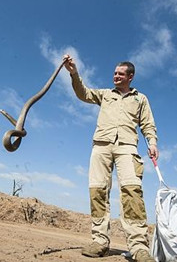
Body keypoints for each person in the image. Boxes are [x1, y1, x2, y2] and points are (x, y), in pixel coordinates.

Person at [63, 54, 159, 262]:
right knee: (97, 190)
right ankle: (100, 241)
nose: (115, 76)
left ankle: (139, 247)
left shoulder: (140, 99)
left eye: (120, 74)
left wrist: (151, 142)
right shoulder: (105, 94)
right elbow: (83, 93)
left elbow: (147, 124)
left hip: (127, 147)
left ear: (130, 77)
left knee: (132, 192)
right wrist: (74, 73)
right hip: (101, 146)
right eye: (114, 73)